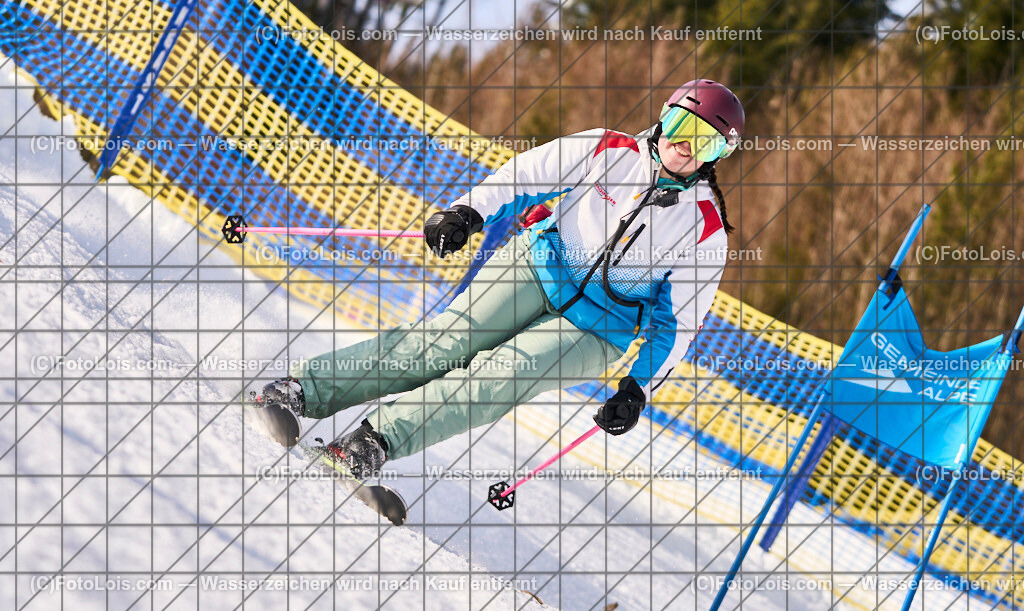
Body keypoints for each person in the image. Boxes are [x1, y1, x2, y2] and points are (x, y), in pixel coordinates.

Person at [255, 79, 745, 480]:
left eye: (704, 141)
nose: (683, 146)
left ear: (717, 155)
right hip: (536, 265)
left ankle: (371, 444)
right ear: (663, 118)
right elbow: (522, 176)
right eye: (682, 126)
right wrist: (469, 211)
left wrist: (639, 387)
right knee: (445, 342)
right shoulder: (607, 150)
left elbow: (676, 324)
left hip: (599, 329)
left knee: (501, 376)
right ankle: (303, 391)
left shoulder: (704, 229)